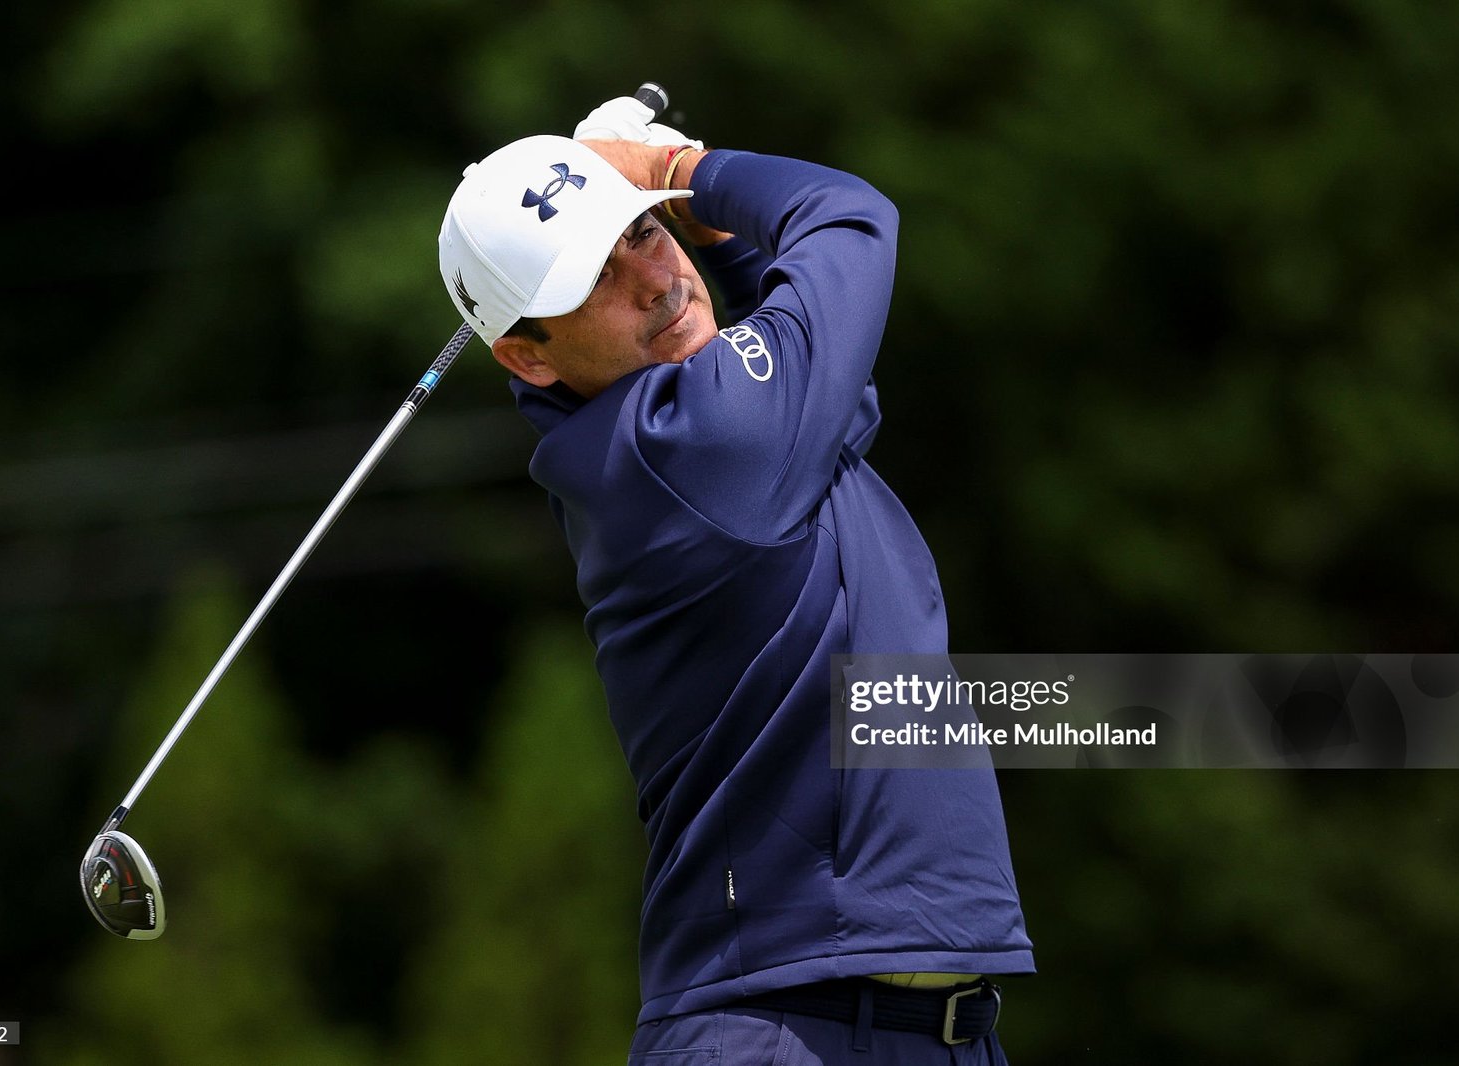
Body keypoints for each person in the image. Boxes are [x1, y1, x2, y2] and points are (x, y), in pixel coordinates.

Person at [438, 95, 1035, 1064]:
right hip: (776, 1031)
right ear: (524, 356)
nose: (653, 276)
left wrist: (696, 225)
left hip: (930, 1031)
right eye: (594, 274)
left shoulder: (703, 441)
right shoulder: (695, 447)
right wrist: (682, 170)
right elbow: (848, 217)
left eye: (639, 234)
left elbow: (805, 362)